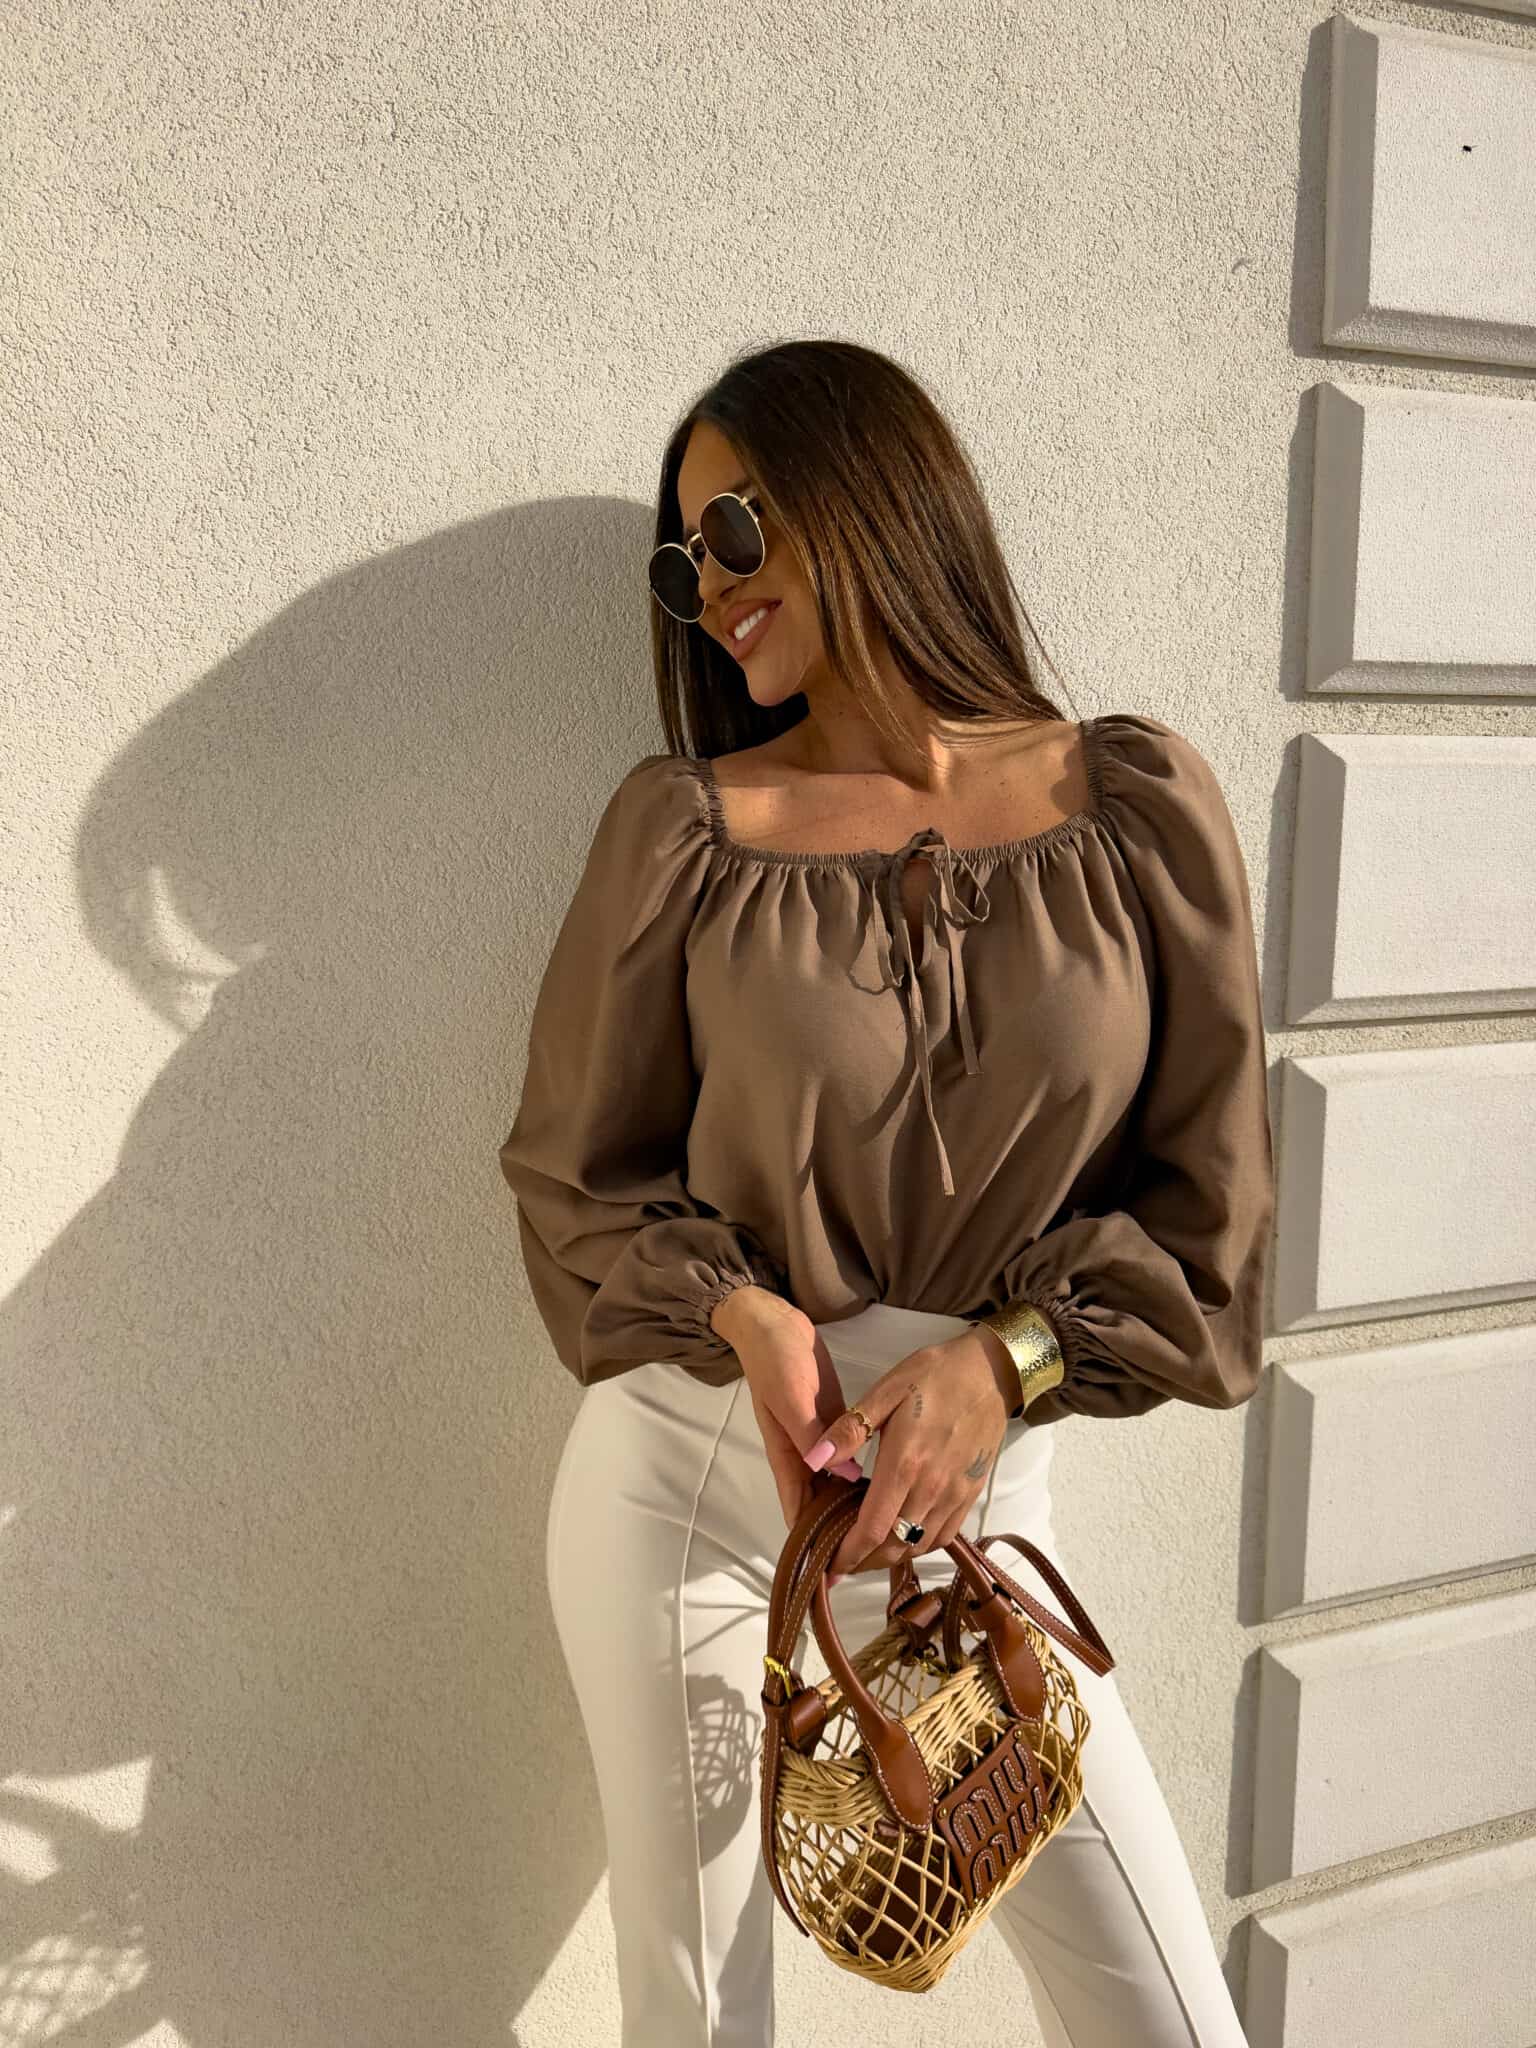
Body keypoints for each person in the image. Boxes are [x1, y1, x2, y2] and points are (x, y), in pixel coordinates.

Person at [498, 338, 1274, 2047]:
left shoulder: (1139, 807)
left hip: (977, 1545)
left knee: (1171, 2024)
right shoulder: (685, 831)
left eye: (735, 531)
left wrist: (1009, 1362)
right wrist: (744, 1313)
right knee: (706, 2030)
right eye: (680, 565)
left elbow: (1212, 1227)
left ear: (870, 489)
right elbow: (573, 1170)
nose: (710, 591)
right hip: (700, 1516)